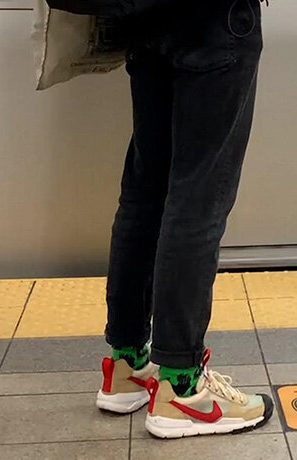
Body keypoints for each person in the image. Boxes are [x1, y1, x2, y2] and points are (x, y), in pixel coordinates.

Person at [91, 0, 273, 438]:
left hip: (142, 16)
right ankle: (181, 387)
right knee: (198, 197)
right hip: (216, 20)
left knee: (145, 192)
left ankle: (126, 366)